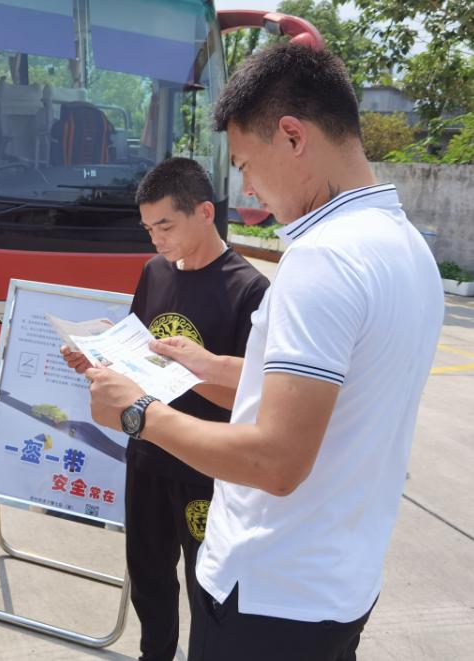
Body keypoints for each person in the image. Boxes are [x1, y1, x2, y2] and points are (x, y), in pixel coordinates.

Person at [83, 43, 444, 661]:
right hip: (337, 582)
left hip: (269, 591)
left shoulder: (322, 257)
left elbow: (277, 460)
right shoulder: (405, 247)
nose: (246, 189)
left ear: (293, 136)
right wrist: (203, 364)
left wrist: (139, 411)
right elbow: (325, 392)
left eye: (247, 164)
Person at [63, 157, 269, 660]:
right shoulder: (155, 273)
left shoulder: (251, 290)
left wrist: (195, 371)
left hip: (207, 468)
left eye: (165, 226)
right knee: (149, 575)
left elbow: (250, 397)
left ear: (204, 212)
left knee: (208, 586)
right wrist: (97, 362)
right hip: (148, 454)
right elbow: (136, 352)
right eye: (148, 227)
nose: (155, 239)